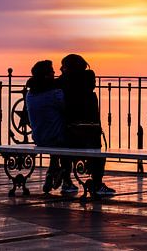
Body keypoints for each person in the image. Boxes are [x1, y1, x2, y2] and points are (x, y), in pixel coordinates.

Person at [56, 54, 116, 195]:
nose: (60, 68)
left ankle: (66, 181)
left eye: (63, 66)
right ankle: (97, 183)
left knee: (65, 148)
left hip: (71, 131)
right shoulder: (88, 80)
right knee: (98, 153)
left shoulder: (63, 82)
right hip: (90, 131)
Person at [26, 60, 78, 193]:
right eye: (52, 71)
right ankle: (65, 176)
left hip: (39, 138)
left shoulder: (30, 94)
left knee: (54, 139)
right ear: (46, 76)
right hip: (57, 138)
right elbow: (68, 110)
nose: (55, 73)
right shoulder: (55, 93)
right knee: (67, 139)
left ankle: (51, 171)